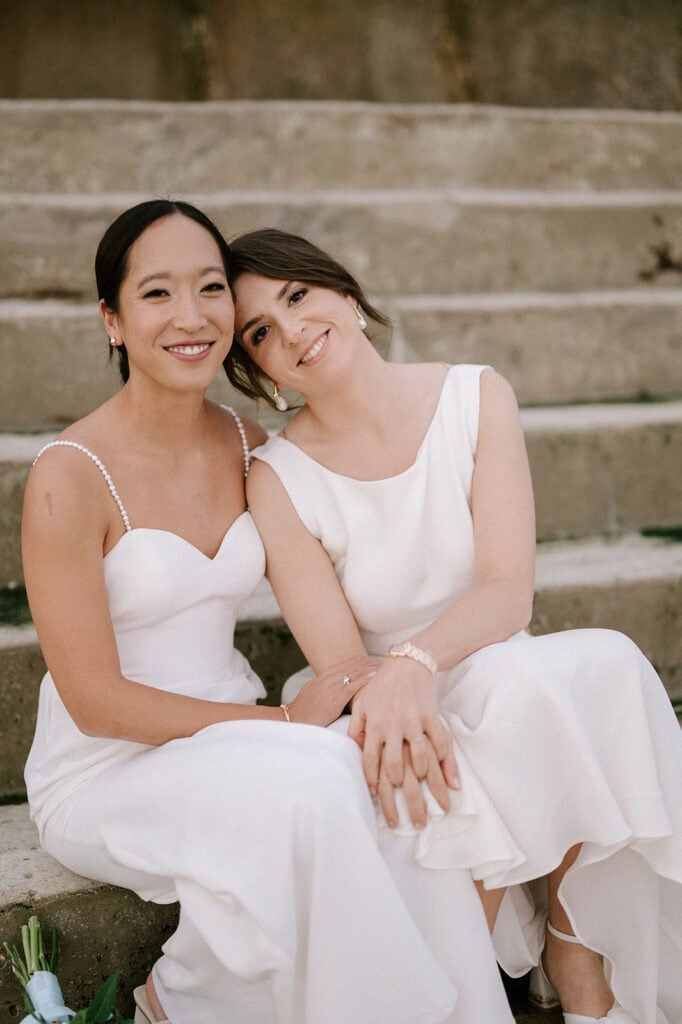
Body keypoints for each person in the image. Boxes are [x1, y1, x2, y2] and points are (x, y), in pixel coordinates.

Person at [22, 200, 516, 1024]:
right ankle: (199, 996)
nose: (191, 316)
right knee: (318, 781)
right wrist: (283, 724)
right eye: (155, 295)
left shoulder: (250, 445)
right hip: (106, 764)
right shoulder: (67, 476)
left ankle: (206, 994)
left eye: (211, 288)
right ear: (111, 320)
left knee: (379, 771)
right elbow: (93, 702)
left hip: (241, 736)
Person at [226, 227, 682, 1024]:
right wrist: (401, 677)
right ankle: (460, 988)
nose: (291, 330)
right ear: (257, 370)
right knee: (516, 700)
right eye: (259, 332)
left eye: (297, 296)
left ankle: (580, 966)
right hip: (377, 700)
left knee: (582, 669)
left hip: (484, 658)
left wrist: (418, 659)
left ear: (344, 293)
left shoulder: (476, 394)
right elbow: (338, 662)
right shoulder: (276, 477)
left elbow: (509, 593)